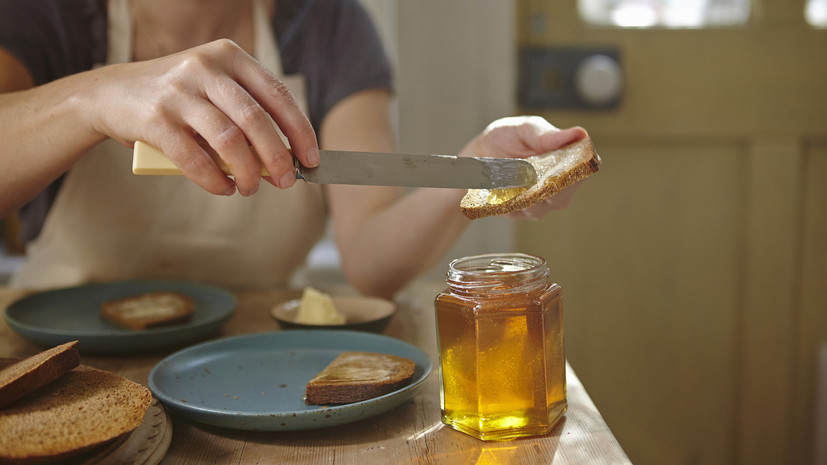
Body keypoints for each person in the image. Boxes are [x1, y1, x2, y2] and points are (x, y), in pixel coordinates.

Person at [0, 0, 587, 298]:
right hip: (64, 359)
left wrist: (477, 170)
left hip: (262, 365)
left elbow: (372, 260)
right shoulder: (46, 14)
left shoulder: (327, 23)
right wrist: (91, 99)